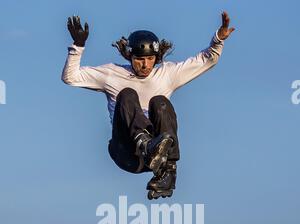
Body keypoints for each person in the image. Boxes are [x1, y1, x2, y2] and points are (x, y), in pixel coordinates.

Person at [62, 12, 235, 199]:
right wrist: (77, 46)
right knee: (128, 94)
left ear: (157, 57)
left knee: (160, 102)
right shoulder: (112, 74)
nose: (145, 65)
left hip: (155, 156)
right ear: (129, 56)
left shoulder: (167, 74)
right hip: (126, 152)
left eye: (150, 59)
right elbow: (71, 77)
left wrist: (218, 39)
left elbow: (205, 60)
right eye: (139, 60)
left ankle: (168, 171)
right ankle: (144, 142)